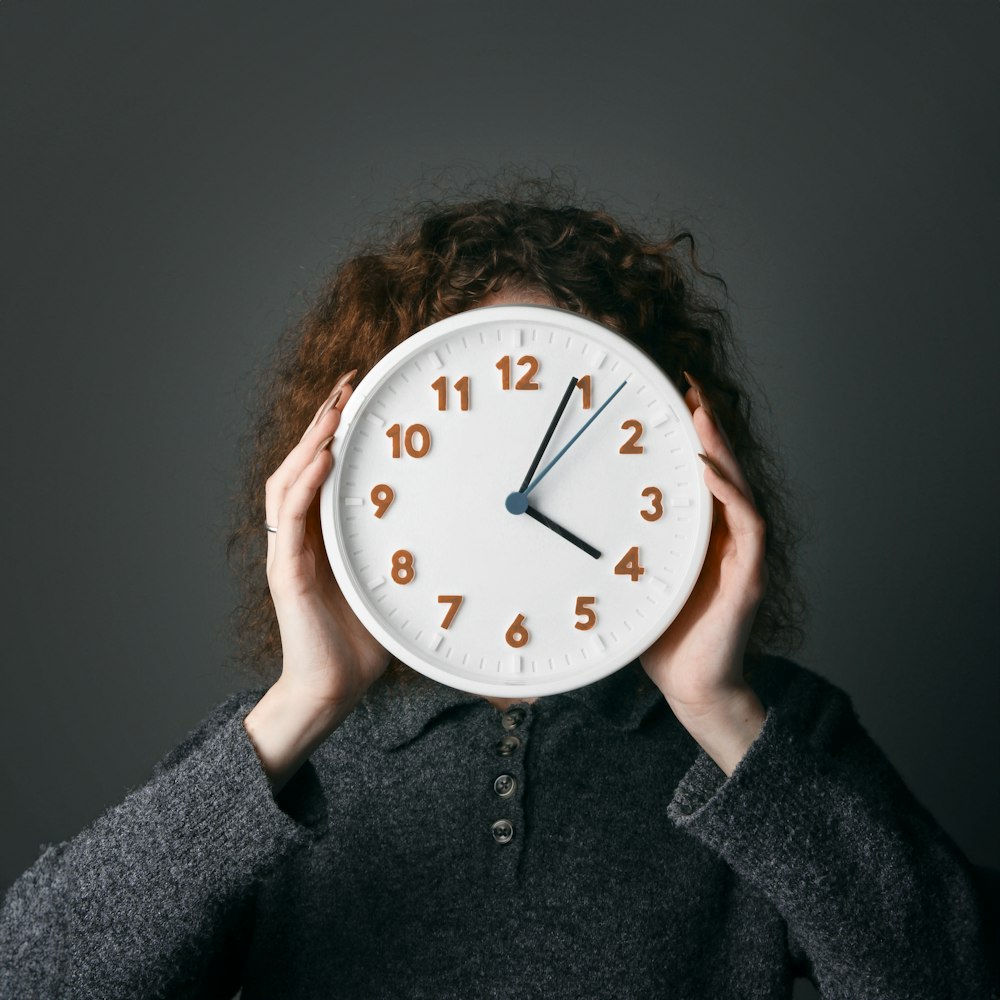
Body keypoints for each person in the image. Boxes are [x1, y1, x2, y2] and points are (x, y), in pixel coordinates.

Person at [1, 179, 996, 999]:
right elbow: (35, 977)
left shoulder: (778, 736)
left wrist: (720, 712)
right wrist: (301, 706)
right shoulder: (278, 751)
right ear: (348, 473)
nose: (512, 499)